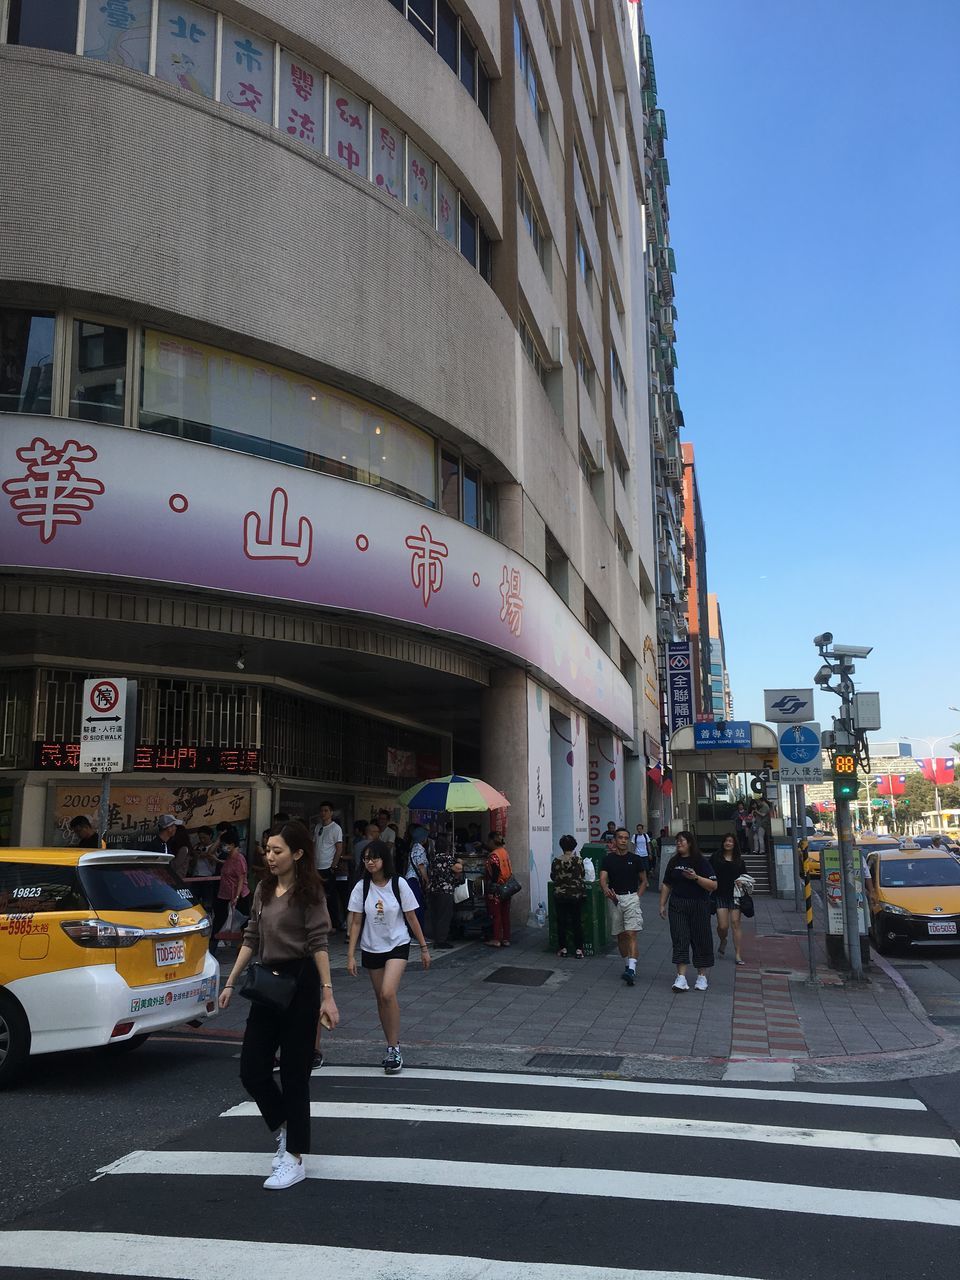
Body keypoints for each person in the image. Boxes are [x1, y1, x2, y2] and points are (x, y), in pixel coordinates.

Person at [218, 821, 338, 1190]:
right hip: (267, 982)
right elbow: (251, 937)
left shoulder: (310, 893)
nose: (269, 857)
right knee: (252, 1070)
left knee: (294, 1074)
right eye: (267, 850)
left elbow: (319, 943)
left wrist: (328, 994)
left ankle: (295, 1158)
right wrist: (230, 981)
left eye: (277, 851)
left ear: (297, 854)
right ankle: (286, 1129)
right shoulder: (264, 889)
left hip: (301, 982)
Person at [346, 839, 430, 1074]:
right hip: (371, 947)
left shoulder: (399, 884)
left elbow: (412, 917)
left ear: (384, 859)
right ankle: (391, 1045)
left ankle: (394, 1048)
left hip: (397, 944)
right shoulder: (361, 887)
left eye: (374, 857)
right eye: (366, 858)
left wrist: (423, 947)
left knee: (387, 992)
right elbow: (355, 922)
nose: (370, 862)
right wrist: (350, 954)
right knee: (381, 999)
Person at [659, 830, 717, 992]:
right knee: (680, 937)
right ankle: (681, 977)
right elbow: (667, 884)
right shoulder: (673, 862)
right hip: (678, 904)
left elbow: (713, 885)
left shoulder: (701, 862)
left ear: (690, 843)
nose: (678, 844)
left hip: (699, 904)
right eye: (677, 841)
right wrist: (662, 904)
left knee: (701, 938)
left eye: (682, 841)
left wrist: (696, 878)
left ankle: (702, 976)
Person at [599, 827, 648, 985]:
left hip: (631, 897)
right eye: (620, 837)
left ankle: (632, 970)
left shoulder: (635, 859)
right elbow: (603, 880)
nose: (623, 840)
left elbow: (644, 881)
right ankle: (628, 966)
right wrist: (606, 891)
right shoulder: (608, 860)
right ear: (614, 840)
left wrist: (637, 897)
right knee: (620, 936)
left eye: (626, 838)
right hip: (615, 899)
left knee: (631, 934)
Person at [209, 827, 248, 953]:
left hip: (238, 896)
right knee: (219, 921)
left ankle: (244, 949)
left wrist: (236, 897)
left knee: (244, 923)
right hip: (224, 894)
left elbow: (241, 879)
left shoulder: (239, 858)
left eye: (225, 844)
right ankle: (212, 948)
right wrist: (219, 838)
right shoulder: (228, 857)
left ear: (232, 844)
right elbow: (210, 852)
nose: (223, 846)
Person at [710, 833, 748, 965]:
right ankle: (723, 940)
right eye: (726, 841)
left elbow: (745, 876)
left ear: (734, 844)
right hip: (720, 894)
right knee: (723, 925)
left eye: (731, 841)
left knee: (736, 923)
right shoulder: (716, 858)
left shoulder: (739, 861)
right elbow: (708, 872)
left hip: (735, 895)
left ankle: (738, 954)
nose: (728, 843)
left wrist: (741, 882)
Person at [551, 834, 586, 958]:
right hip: (576, 895)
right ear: (574, 846)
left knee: (562, 922)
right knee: (576, 922)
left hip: (560, 896)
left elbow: (553, 876)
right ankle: (579, 950)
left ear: (561, 846)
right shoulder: (578, 860)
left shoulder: (556, 861)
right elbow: (583, 874)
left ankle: (563, 949)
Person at [312, 802, 344, 930]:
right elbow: (314, 845)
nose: (323, 813)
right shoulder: (318, 827)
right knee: (317, 896)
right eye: (321, 811)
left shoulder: (336, 828)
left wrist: (333, 866)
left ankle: (334, 923)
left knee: (330, 896)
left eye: (326, 810)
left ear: (331, 812)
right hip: (317, 867)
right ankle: (320, 922)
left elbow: (339, 848)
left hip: (327, 866)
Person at [428, 835, 462, 949]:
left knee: (436, 915)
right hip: (445, 890)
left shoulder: (433, 858)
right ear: (447, 847)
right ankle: (441, 941)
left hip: (433, 890)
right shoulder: (448, 858)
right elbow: (458, 868)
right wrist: (460, 862)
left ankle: (436, 937)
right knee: (444, 916)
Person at [484, 831, 514, 948]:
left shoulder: (493, 856)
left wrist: (492, 889)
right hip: (507, 887)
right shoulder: (504, 852)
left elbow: (495, 874)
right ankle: (506, 939)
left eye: (488, 841)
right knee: (505, 914)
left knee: (496, 915)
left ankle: (496, 939)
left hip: (497, 888)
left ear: (491, 841)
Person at [403, 824, 430, 930]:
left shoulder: (413, 847)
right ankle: (416, 933)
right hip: (413, 880)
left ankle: (412, 932)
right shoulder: (420, 849)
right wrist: (427, 880)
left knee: (412, 906)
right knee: (417, 907)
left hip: (410, 879)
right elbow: (421, 866)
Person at [153, 814, 192, 879]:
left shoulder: (166, 844)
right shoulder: (155, 845)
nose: (176, 828)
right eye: (174, 825)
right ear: (169, 828)